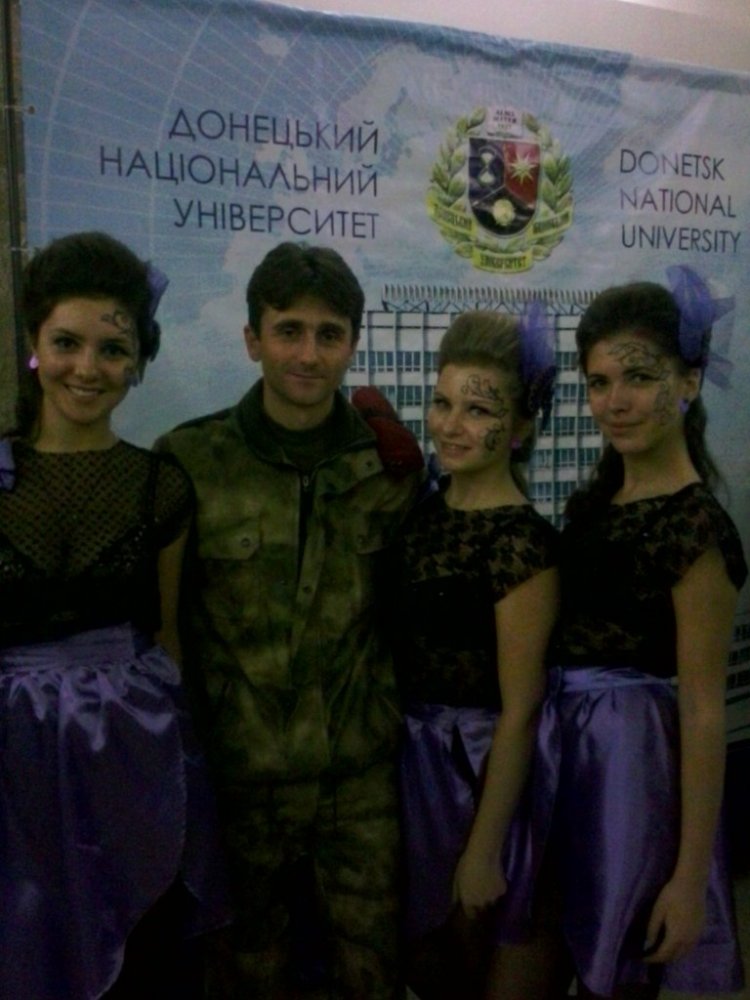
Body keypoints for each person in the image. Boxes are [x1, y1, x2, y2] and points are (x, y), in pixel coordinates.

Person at [157, 241, 423, 998]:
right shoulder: (191, 460)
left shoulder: (387, 469)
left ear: (352, 345)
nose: (308, 354)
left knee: (373, 970)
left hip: (358, 780)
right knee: (244, 970)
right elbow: (168, 630)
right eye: (289, 331)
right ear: (252, 339)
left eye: (329, 334)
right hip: (240, 781)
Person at [0, 231, 229, 1000]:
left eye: (112, 349)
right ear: (34, 345)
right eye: (67, 342)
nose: (87, 368)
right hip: (16, 766)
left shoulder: (161, 486)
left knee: (141, 960)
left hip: (136, 761)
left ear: (137, 361)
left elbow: (168, 639)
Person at [517, 269, 747, 999]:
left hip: (632, 777)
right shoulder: (598, 502)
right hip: (564, 757)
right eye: (598, 382)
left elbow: (703, 709)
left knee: (617, 964)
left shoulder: (695, 527)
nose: (614, 402)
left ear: (689, 381)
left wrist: (690, 876)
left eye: (639, 378)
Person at [391, 309, 559, 999]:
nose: (451, 425)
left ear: (519, 428)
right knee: (429, 967)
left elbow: (522, 711)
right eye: (443, 403)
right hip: (413, 770)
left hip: (483, 775)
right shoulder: (418, 515)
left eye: (479, 409)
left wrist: (486, 847)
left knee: (480, 950)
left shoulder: (522, 544)